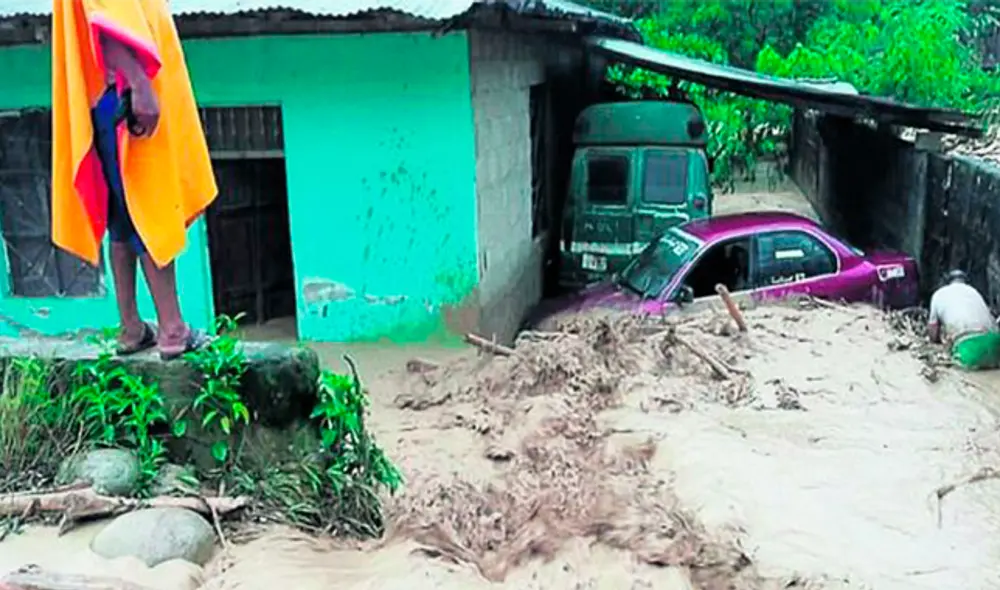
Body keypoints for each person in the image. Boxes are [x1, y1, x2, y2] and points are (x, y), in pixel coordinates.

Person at [51, 0, 218, 360]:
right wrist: (141, 85)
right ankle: (172, 329)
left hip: (109, 103)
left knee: (123, 218)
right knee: (149, 206)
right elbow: (107, 24)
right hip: (127, 98)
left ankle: (132, 329)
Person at [927, 269, 1000, 370]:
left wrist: (936, 343)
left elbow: (933, 332)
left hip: (967, 348)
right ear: (965, 281)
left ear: (948, 282)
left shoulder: (938, 294)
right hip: (995, 345)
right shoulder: (974, 291)